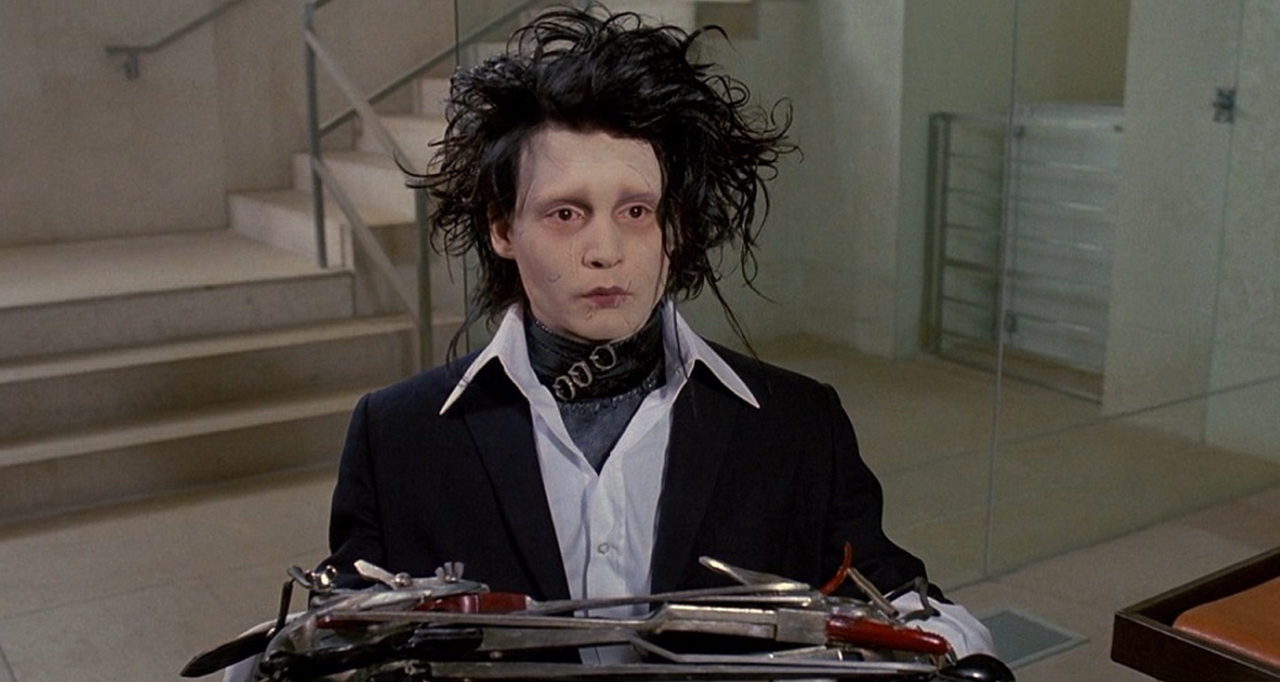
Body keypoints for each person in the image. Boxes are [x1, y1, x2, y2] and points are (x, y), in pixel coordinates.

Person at [323, 4, 995, 662]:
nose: (606, 251)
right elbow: (346, 630)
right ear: (503, 228)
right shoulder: (398, 437)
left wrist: (955, 650)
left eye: (637, 211)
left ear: (674, 227)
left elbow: (892, 595)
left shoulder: (797, 425)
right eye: (565, 214)